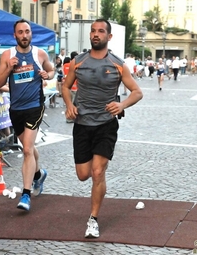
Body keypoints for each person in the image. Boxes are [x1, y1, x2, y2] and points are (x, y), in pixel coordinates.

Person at [61, 19, 143, 238]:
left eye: (101, 31)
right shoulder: (79, 61)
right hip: (82, 124)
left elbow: (137, 91)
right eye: (93, 31)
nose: (96, 34)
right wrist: (69, 105)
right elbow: (65, 86)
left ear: (109, 37)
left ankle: (93, 219)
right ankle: (97, 187)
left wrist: (122, 105)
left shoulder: (117, 64)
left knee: (98, 172)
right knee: (83, 174)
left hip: (106, 125)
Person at [0, 19, 54, 211]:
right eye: (20, 32)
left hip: (35, 105)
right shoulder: (7, 55)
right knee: (27, 147)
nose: (24, 35)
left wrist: (48, 75)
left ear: (31, 34)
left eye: (27, 31)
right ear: (15, 35)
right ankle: (38, 174)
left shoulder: (39, 53)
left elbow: (52, 69)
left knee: (27, 150)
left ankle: (26, 195)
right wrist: (8, 68)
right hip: (16, 109)